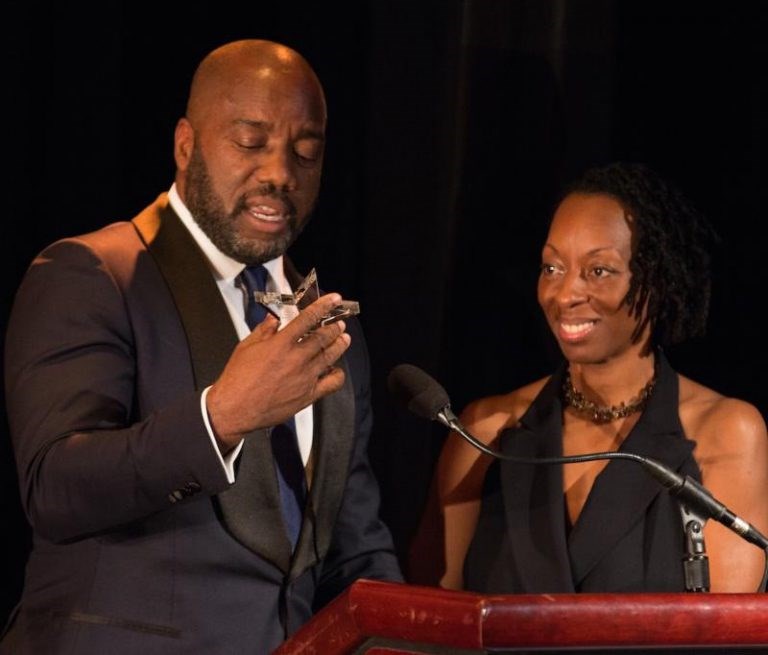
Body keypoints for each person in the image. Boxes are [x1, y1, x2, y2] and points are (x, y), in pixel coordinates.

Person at [2, 39, 402, 654]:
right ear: (186, 144)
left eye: (306, 152)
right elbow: (55, 487)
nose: (279, 173)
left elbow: (353, 544)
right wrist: (220, 418)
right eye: (251, 143)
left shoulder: (328, 327)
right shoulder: (92, 274)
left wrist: (401, 636)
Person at [412, 161, 768, 594]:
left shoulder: (727, 430)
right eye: (552, 268)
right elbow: (426, 618)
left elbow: (720, 633)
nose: (564, 295)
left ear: (656, 281)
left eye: (598, 271)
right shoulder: (485, 432)